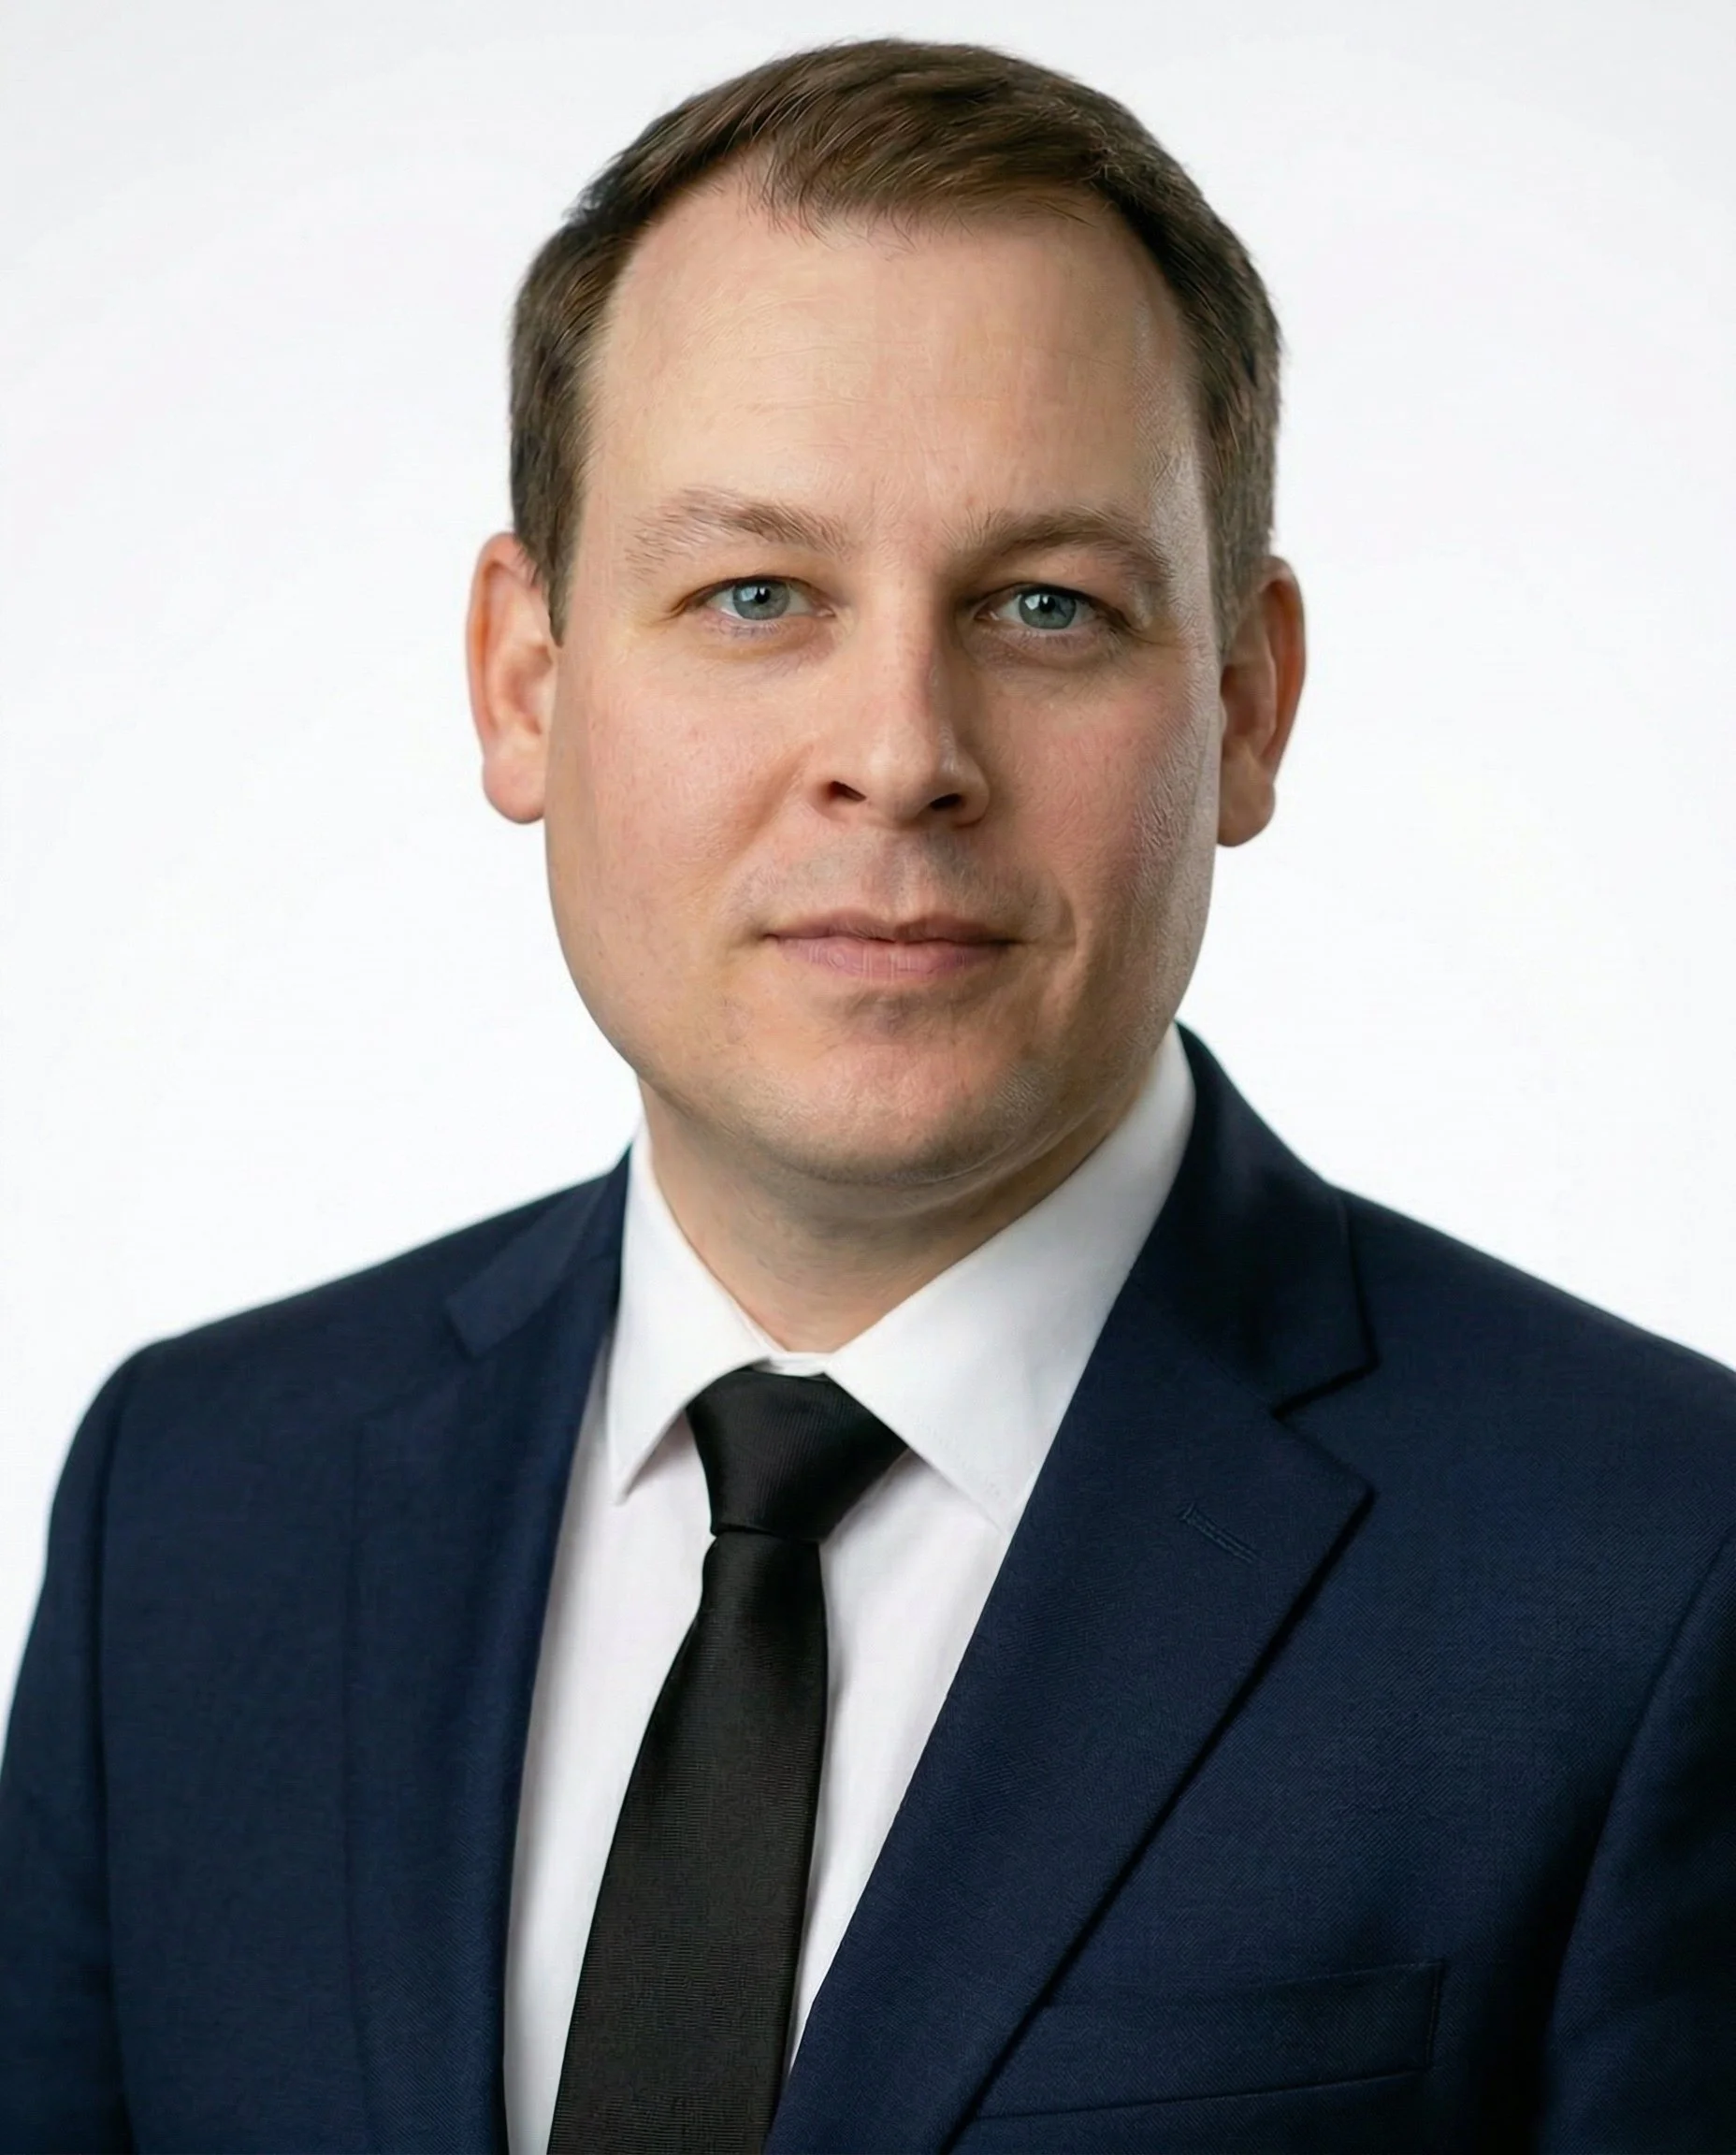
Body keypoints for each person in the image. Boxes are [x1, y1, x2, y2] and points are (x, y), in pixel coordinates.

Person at [2, 35, 1732, 2153]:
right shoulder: (190, 1513)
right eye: (754, 595)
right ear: (524, 681)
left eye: (1044, 605)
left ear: (1246, 703)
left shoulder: (1657, 1574)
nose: (898, 748)